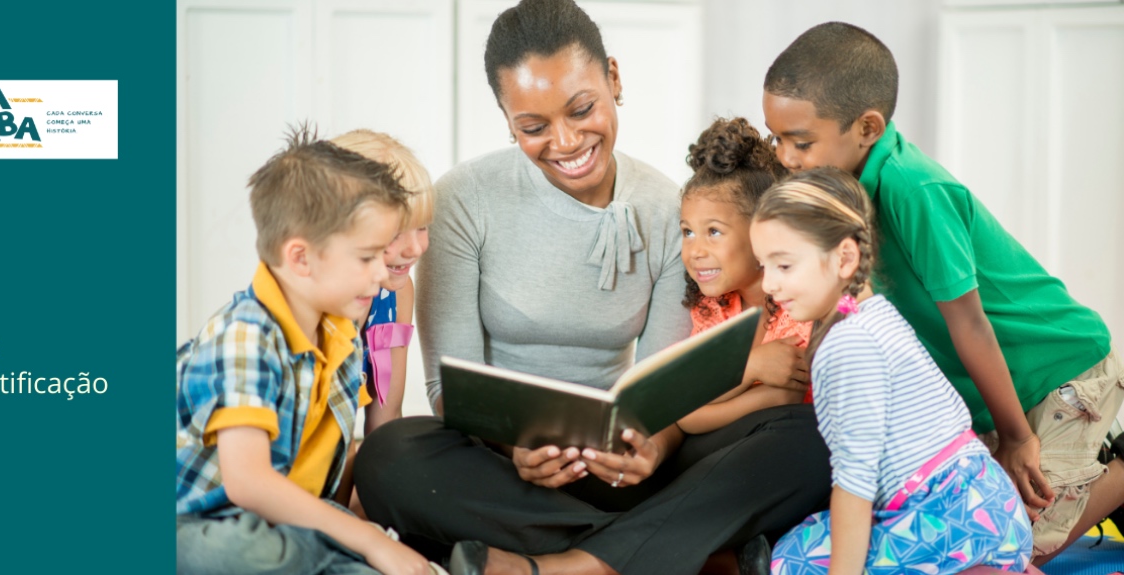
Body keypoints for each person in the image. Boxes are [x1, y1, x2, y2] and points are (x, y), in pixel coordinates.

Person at [353, 2, 831, 574]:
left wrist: (652, 447)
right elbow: (448, 386)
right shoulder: (462, 200)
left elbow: (667, 389)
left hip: (629, 465)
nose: (565, 141)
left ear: (614, 79)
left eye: (582, 109)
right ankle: (695, 554)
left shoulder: (665, 209)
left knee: (810, 436)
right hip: (509, 471)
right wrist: (516, 449)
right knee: (389, 455)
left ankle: (569, 564)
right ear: (507, 119)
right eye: (533, 127)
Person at [761, 21, 1123, 564]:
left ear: (867, 127)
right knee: (969, 542)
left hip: (1056, 369)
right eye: (777, 139)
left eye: (801, 141)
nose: (786, 157)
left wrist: (1018, 438)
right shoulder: (840, 195)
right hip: (995, 392)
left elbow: (969, 323)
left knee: (1019, 546)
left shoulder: (913, 187)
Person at [175, 128, 439, 575]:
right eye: (367, 257)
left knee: (327, 538)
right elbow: (249, 484)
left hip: (281, 522)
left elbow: (330, 463)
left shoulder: (338, 335)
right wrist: (369, 540)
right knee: (251, 551)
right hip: (197, 521)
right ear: (301, 258)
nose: (383, 273)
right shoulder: (245, 334)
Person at [752, 167, 1033, 574]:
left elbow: (855, 482)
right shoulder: (876, 313)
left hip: (954, 517)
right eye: (763, 266)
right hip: (989, 503)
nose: (768, 285)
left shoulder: (848, 344)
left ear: (845, 258)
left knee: (790, 562)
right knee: (810, 535)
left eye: (783, 266)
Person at [676, 117, 814, 436]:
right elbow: (682, 410)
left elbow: (787, 402)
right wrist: (750, 367)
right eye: (687, 232)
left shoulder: (798, 309)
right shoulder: (714, 307)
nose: (694, 250)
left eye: (713, 232)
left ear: (761, 232)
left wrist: (716, 392)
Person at [332, 129, 436, 434]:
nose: (414, 249)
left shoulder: (398, 293)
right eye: (395, 233)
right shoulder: (321, 306)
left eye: (423, 227)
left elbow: (386, 418)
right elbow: (325, 441)